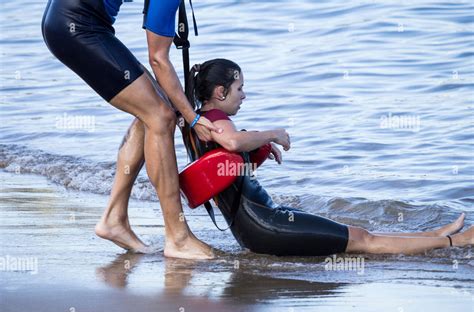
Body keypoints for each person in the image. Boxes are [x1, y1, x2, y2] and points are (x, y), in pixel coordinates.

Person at [184, 58, 473, 256]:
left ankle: (435, 235)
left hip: (261, 221)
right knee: (362, 241)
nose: (244, 95)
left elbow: (229, 161)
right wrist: (271, 134)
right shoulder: (216, 121)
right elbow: (233, 141)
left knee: (360, 233)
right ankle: (454, 242)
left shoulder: (204, 123)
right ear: (221, 92)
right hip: (264, 225)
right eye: (239, 88)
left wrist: (255, 148)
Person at [41, 0, 222, 259]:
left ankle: (114, 219)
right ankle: (178, 238)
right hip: (77, 27)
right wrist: (193, 118)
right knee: (160, 116)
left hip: (70, 22)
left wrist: (185, 110)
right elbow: (158, 60)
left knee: (156, 106)